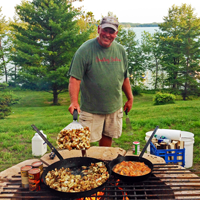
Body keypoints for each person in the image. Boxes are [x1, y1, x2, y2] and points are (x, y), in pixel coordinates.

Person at [68, 16, 133, 147]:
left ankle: (103, 163)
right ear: (99, 29)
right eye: (105, 30)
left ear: (116, 33)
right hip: (91, 109)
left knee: (107, 139)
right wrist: (74, 101)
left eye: (111, 31)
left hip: (113, 108)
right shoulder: (85, 50)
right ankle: (85, 166)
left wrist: (130, 98)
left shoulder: (121, 51)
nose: (107, 35)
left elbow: (125, 77)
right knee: (84, 143)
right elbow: (75, 78)